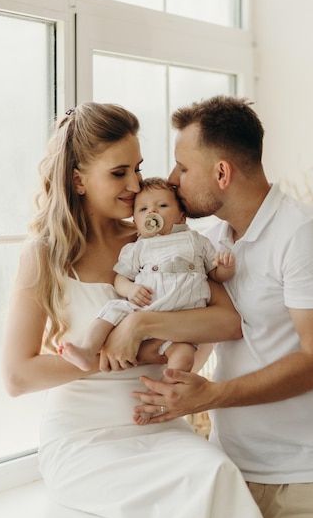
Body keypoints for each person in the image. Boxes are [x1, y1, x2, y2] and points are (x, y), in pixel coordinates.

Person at [2, 101, 272, 518]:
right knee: (207, 487)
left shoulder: (158, 238)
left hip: (159, 426)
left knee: (216, 475)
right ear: (79, 180)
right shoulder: (44, 254)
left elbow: (227, 319)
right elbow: (17, 376)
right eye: (119, 172)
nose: (136, 186)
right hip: (85, 438)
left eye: (140, 168)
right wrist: (123, 354)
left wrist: (145, 327)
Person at [130, 95, 313, 518]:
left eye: (182, 166)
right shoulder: (211, 241)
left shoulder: (307, 236)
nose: (171, 179)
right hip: (235, 470)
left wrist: (208, 397)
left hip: (310, 479)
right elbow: (207, 328)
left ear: (221, 172)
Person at [58, 176, 235, 425]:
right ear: (137, 223)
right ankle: (88, 350)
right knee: (112, 310)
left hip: (180, 326)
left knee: (184, 358)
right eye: (142, 209)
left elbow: (215, 275)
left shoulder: (196, 240)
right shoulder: (139, 247)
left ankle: (156, 399)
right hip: (144, 304)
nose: (152, 211)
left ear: (182, 216)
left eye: (162, 206)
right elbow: (120, 278)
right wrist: (130, 290)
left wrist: (225, 267)